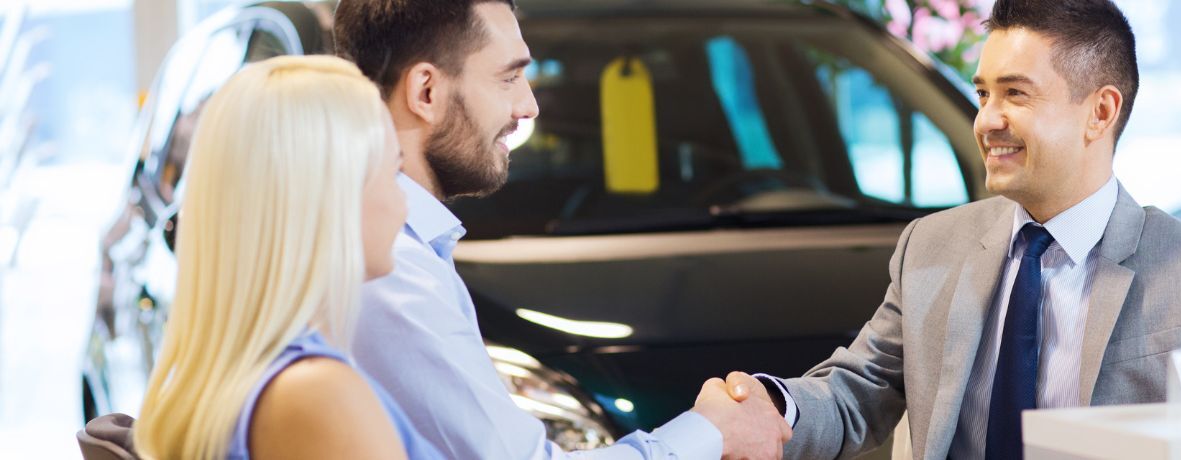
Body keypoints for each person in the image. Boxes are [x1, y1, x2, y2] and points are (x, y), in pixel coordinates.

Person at [722, 0, 1181, 458]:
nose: (987, 121)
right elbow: (856, 393)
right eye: (983, 93)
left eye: (1016, 94)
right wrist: (766, 404)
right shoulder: (931, 246)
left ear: (1099, 112)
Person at [332, 1, 791, 459]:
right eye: (509, 77)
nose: (528, 105)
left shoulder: (401, 246)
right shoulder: (390, 270)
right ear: (426, 92)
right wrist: (713, 432)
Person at [131, 55, 445, 459]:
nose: (404, 201)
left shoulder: (250, 374)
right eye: (392, 172)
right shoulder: (315, 394)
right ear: (330, 197)